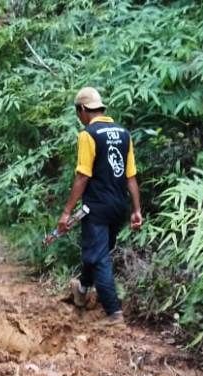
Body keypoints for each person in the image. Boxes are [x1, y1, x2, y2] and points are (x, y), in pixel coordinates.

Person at [56, 87, 143, 324]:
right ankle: (82, 290)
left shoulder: (88, 135)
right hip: (119, 206)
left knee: (99, 257)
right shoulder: (124, 133)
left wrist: (66, 213)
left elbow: (83, 176)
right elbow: (131, 177)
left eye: (78, 113)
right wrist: (136, 210)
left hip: (97, 207)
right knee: (95, 251)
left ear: (83, 110)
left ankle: (114, 313)